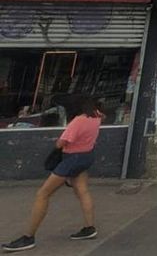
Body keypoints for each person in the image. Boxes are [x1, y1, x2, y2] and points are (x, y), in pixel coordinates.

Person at [2, 97, 104, 252]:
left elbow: (60, 143)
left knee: (43, 194)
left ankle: (28, 237)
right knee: (82, 191)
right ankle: (89, 228)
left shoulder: (78, 121)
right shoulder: (96, 118)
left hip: (71, 159)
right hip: (86, 156)